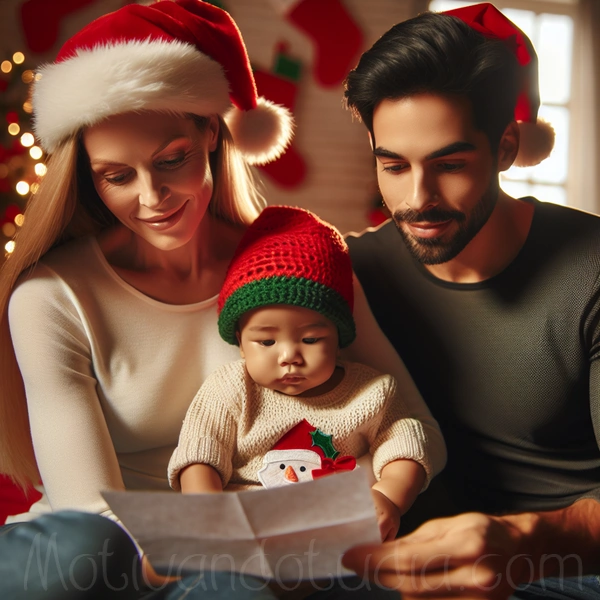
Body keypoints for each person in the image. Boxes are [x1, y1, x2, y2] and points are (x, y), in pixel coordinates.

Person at [0, 1, 446, 597]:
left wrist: (371, 501)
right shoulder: (52, 296)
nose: (151, 196)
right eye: (116, 176)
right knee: (85, 548)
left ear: (210, 132)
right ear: (86, 172)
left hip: (253, 558)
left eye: (170, 161)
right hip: (112, 559)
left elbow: (418, 432)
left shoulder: (296, 262)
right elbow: (92, 515)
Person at [340, 3, 600, 600]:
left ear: (507, 147)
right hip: (399, 568)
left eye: (450, 165)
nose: (417, 198)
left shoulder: (591, 272)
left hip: (563, 570)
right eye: (393, 166)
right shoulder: (354, 270)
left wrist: (524, 540)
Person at [168, 205, 432, 547]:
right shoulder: (230, 389)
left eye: (310, 340)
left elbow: (406, 450)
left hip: (336, 536)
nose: (289, 355)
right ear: (241, 345)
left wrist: (389, 497)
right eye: (266, 341)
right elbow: (200, 456)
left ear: (339, 338)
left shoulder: (372, 392)